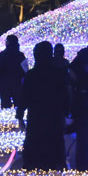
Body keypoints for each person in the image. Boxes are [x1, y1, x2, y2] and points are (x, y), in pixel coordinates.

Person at [20, 41, 70, 169]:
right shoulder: (58, 74)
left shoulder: (32, 75)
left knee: (35, 144)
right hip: (55, 115)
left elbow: (24, 96)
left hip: (36, 116)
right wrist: (66, 112)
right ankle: (55, 170)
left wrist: (20, 115)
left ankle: (34, 169)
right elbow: (64, 95)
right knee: (55, 144)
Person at [0, 34, 27, 116]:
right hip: (17, 83)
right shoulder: (20, 55)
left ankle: (7, 122)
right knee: (18, 103)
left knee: (6, 104)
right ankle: (19, 120)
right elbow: (25, 70)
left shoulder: (3, 55)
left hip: (5, 84)